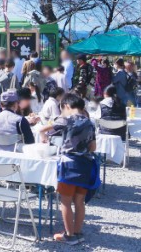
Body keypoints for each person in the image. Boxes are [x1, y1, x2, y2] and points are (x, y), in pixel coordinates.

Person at [51, 93, 98, 245]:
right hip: (85, 164)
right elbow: (93, 147)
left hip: (69, 164)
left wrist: (43, 133)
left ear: (67, 106)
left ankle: (69, 236)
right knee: (79, 201)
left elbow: (47, 129)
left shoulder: (65, 119)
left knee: (65, 201)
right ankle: (78, 233)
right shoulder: (89, 122)